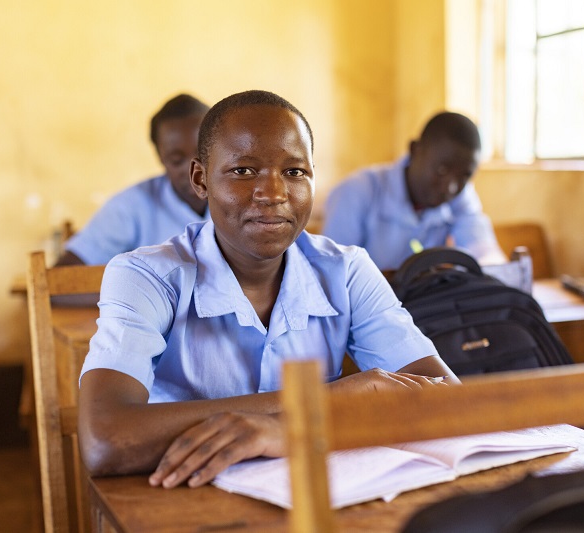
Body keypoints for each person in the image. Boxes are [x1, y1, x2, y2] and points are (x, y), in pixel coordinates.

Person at [77, 90, 459, 490]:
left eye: (295, 172)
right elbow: (105, 440)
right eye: (243, 171)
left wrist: (287, 432)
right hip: (185, 501)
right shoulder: (146, 276)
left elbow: (447, 405)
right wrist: (320, 404)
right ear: (200, 180)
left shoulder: (346, 270)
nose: (274, 194)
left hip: (321, 497)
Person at [321, 112, 506, 271]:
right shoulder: (356, 192)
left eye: (464, 176)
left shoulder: (461, 196)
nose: (451, 187)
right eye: (441, 170)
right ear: (415, 150)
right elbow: (333, 275)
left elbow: (486, 255)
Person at [55, 93, 211, 266]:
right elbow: (62, 280)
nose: (193, 169)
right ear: (160, 156)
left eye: (202, 155)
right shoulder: (130, 207)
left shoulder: (240, 198)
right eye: (176, 160)